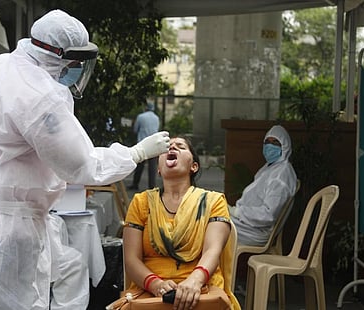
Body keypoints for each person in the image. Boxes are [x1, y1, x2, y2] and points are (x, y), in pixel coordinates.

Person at [0, 9, 170, 310]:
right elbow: (82, 164)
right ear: (57, 56)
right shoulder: (40, 97)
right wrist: (136, 153)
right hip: (7, 230)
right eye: (76, 63)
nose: (77, 69)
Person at [118, 136, 240, 309]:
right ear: (159, 169)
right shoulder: (141, 202)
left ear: (194, 166)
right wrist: (156, 285)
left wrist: (194, 282)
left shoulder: (213, 202)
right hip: (149, 290)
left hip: (202, 288)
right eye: (166, 148)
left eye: (181, 147)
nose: (172, 148)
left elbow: (212, 250)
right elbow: (131, 259)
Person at [229, 125, 297, 246]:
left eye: (275, 142)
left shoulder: (281, 175)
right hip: (248, 224)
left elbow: (268, 215)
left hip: (256, 231)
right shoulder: (271, 168)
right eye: (267, 142)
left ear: (285, 146)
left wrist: (238, 212)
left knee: (213, 225)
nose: (270, 146)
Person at [128, 101, 160, 190]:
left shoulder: (140, 117)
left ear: (145, 108)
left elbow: (135, 130)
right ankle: (152, 186)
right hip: (154, 144)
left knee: (139, 166)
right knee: (152, 167)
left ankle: (135, 184)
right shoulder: (156, 118)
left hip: (142, 144)